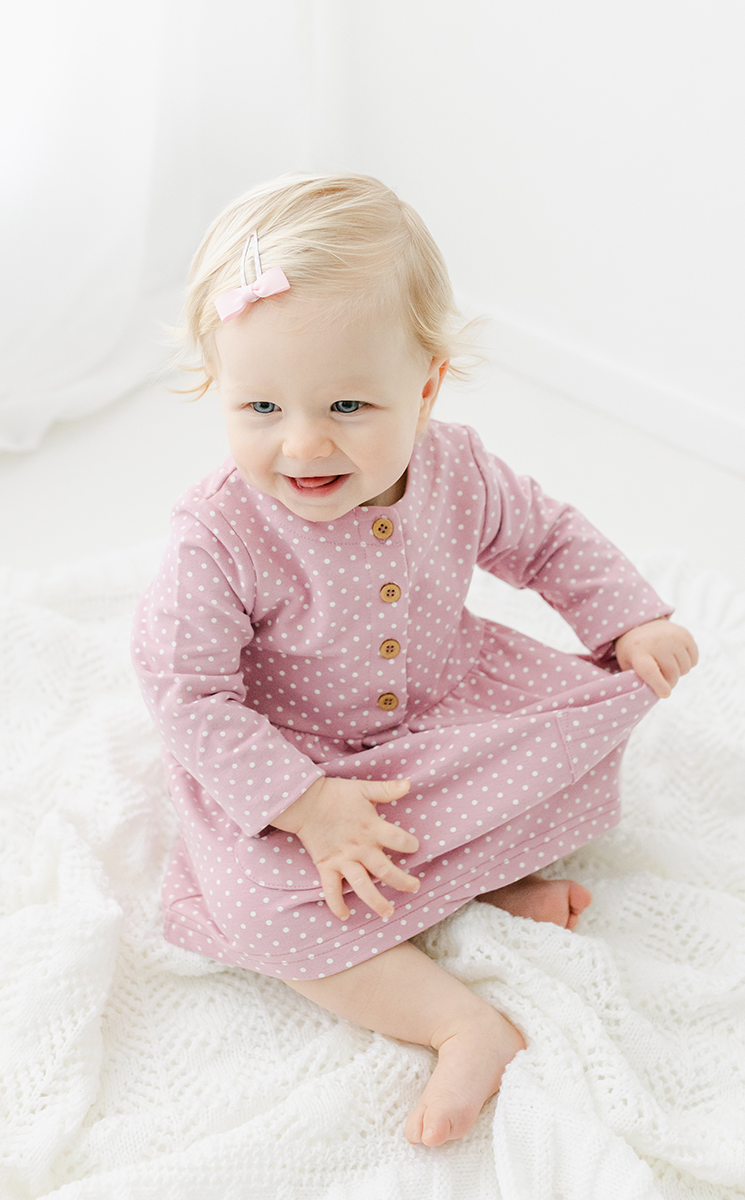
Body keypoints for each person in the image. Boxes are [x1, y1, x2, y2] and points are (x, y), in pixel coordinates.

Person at [132, 173, 698, 1147]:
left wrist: (628, 618)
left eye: (347, 403)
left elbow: (547, 539)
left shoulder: (456, 466)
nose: (302, 442)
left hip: (434, 712)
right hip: (292, 762)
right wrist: (305, 806)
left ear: (426, 384)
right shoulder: (216, 535)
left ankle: (466, 878)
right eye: (259, 406)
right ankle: (458, 1021)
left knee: (564, 740)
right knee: (262, 905)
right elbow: (187, 694)